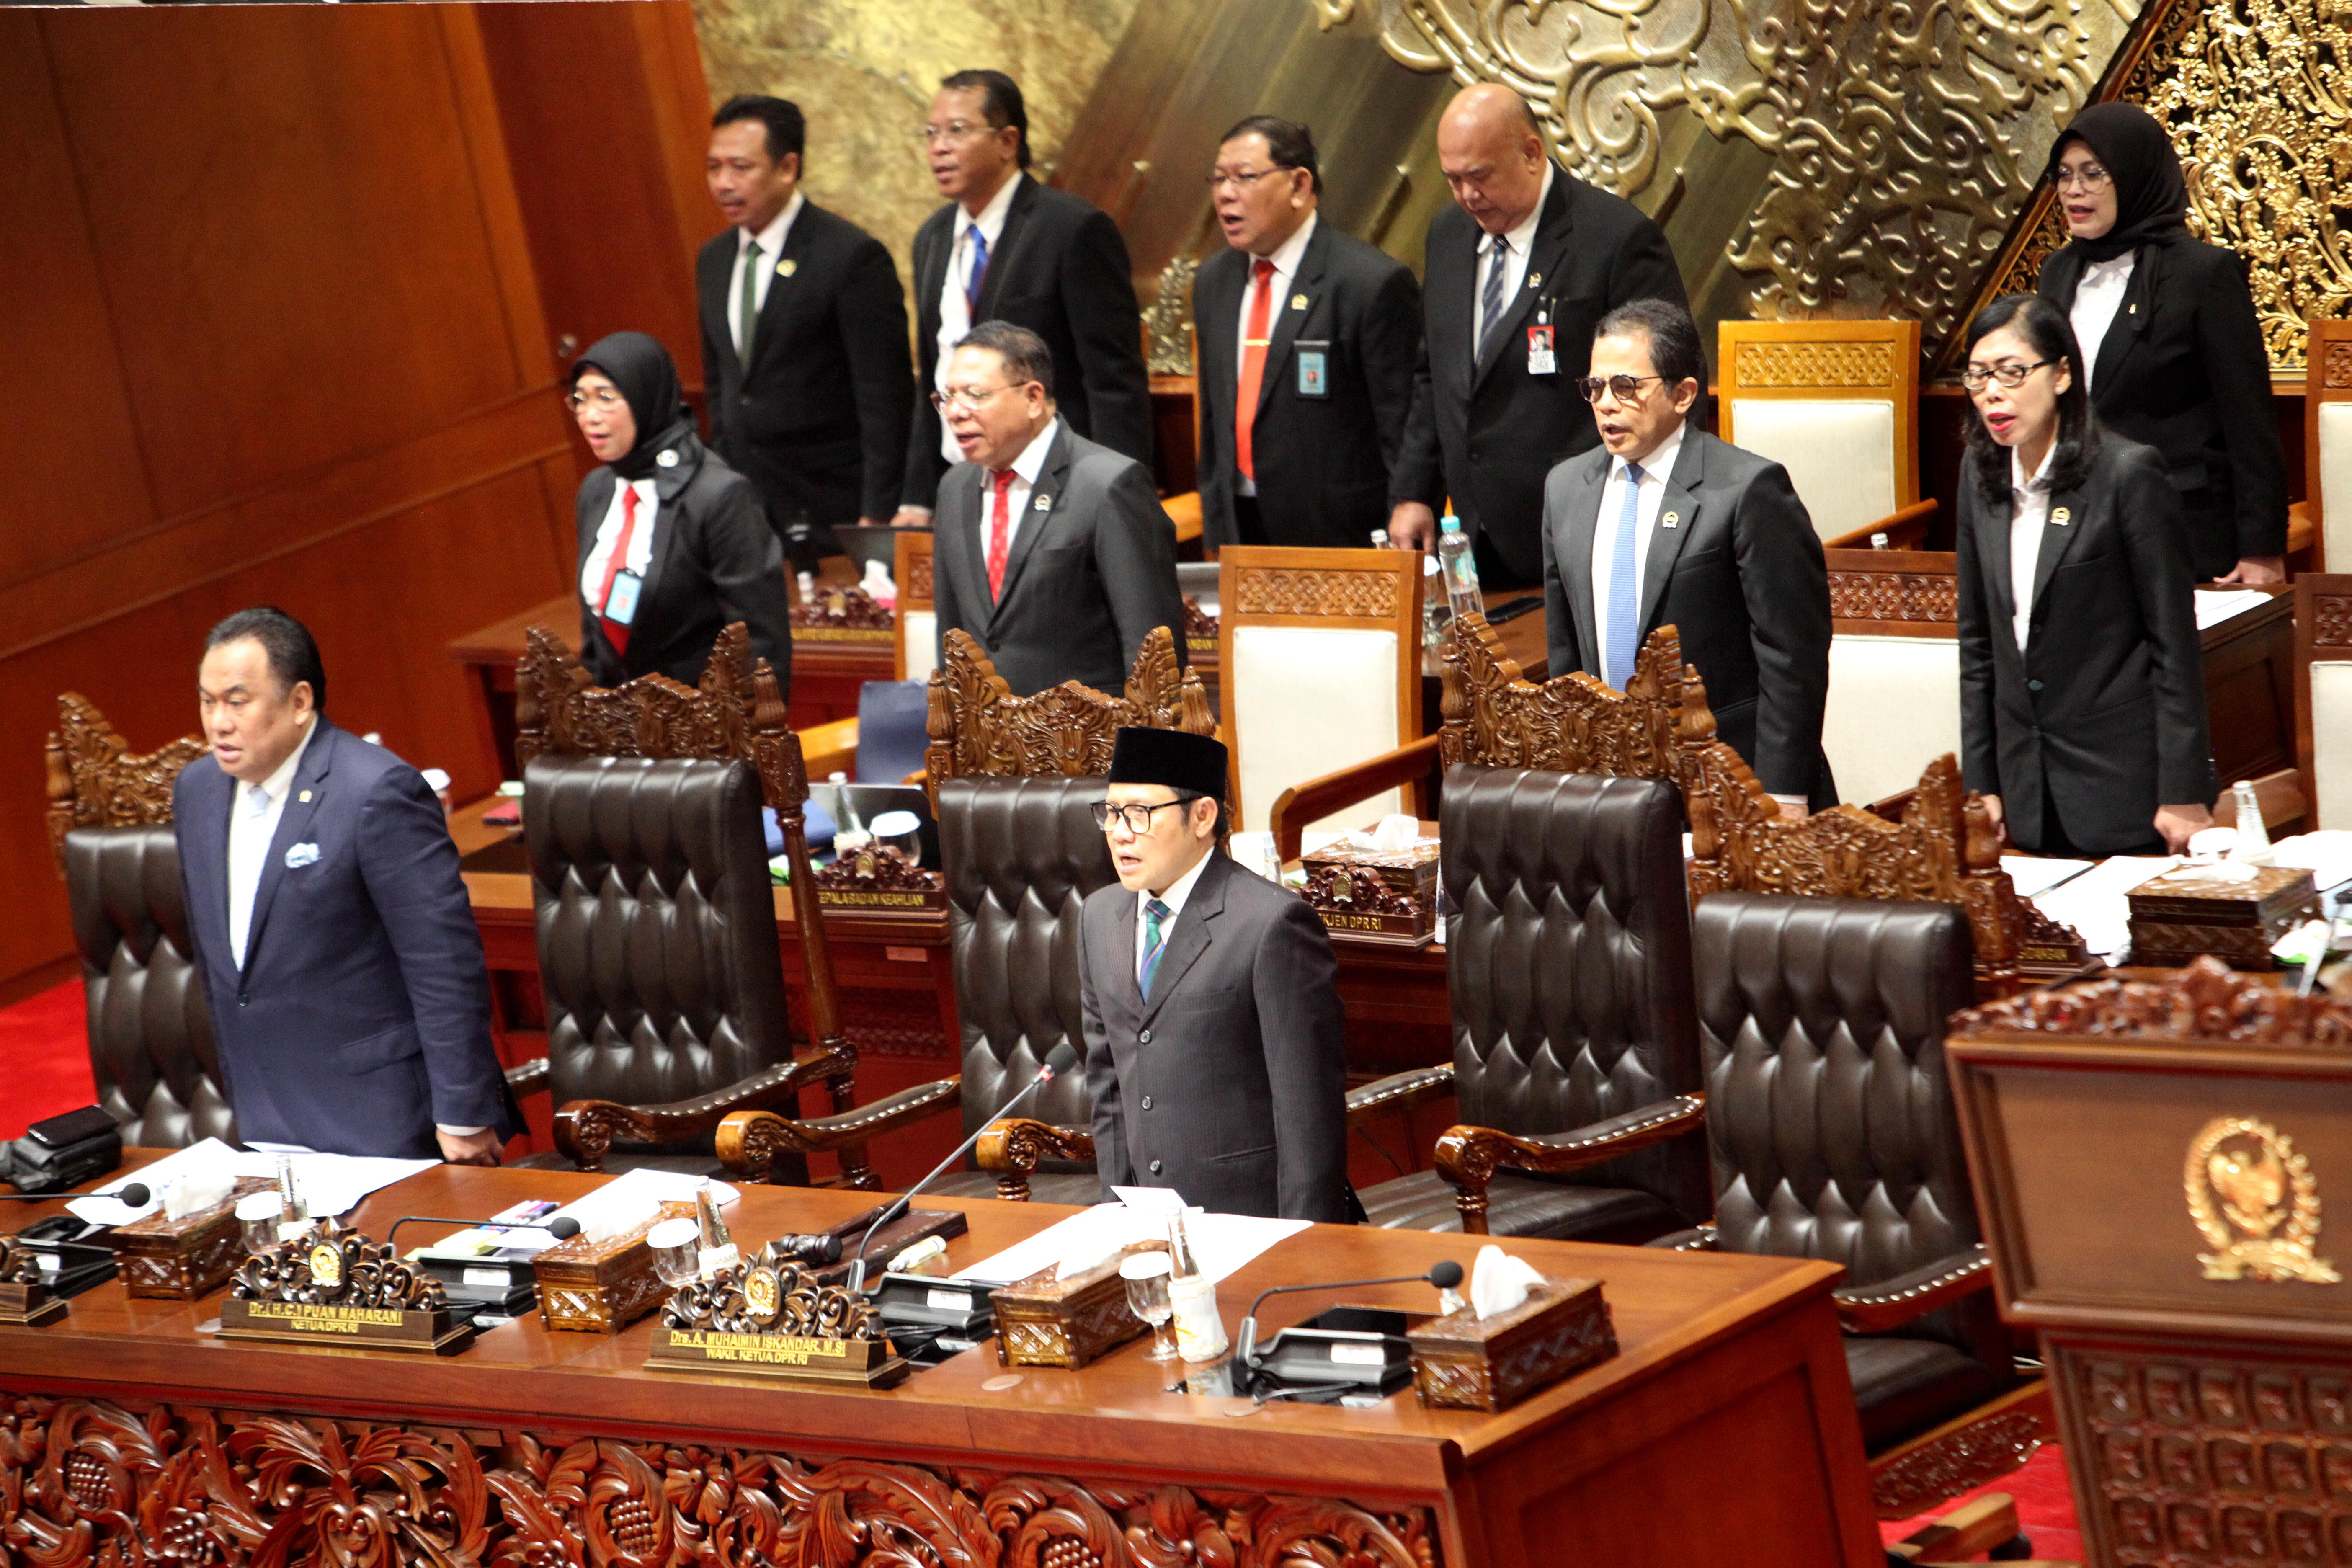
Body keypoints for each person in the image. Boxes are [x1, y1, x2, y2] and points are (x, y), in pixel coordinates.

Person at [172, 609, 515, 1162]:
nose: (219, 722)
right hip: (266, 1120)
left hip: (384, 1123)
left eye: (238, 701)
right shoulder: (198, 792)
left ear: (300, 702)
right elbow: (226, 971)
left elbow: (443, 964)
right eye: (208, 701)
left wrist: (463, 1112)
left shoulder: (375, 791)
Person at [1391, 84, 1687, 589]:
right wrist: (1414, 491)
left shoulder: (1615, 239)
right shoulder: (1448, 235)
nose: (1466, 195)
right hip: (1475, 537)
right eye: (1453, 180)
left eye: (1479, 176)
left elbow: (1665, 386)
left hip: (1584, 536)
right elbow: (1433, 374)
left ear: (1531, 153)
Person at [1542, 300, 1833, 812]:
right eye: (1595, 387)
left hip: (1730, 781)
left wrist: (1783, 793)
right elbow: (1566, 655)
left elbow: (1793, 659)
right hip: (1614, 789)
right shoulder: (1565, 488)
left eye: (1627, 387)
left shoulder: (1748, 490)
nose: (1606, 404)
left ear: (1683, 394)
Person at [1954, 294, 2215, 855]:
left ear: (2063, 374)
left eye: (2012, 372)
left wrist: (2185, 792)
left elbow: (2174, 645)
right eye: (1978, 377)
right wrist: (1982, 785)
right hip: (2026, 792)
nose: (1992, 392)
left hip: (2124, 787)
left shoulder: (2126, 474)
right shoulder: (1979, 475)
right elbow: (1978, 645)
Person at [1081, 727, 1349, 1222]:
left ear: (1202, 816)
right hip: (1148, 1224)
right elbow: (1108, 1085)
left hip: (1250, 1216)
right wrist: (1116, 1218)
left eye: (1139, 814)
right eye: (1111, 813)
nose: (1120, 832)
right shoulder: (1099, 917)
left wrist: (1306, 1242)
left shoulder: (1272, 924)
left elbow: (1307, 1111)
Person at [2036, 103, 2287, 585]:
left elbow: (2249, 422)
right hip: (2081, 525)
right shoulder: (2059, 271)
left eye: (2093, 174)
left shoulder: (2203, 274)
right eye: (2064, 175)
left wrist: (2263, 548)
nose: (2074, 190)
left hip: (2184, 528)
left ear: (2134, 174)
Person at [892, 70, 1151, 526]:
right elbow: (932, 374)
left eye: (958, 131)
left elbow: (1114, 381)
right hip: (965, 484)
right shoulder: (931, 238)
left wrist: (1117, 496)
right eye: (932, 133)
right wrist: (917, 498)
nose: (939, 147)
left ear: (1008, 141)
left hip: (1058, 486)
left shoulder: (1071, 229)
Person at [696, 95, 913, 562]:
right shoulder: (713, 260)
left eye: (740, 167)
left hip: (837, 507)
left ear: (788, 167)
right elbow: (723, 385)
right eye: (714, 168)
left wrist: (876, 516)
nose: (723, 184)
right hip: (751, 513)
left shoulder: (850, 256)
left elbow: (885, 401)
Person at [1193, 115, 1421, 550]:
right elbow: (1214, 417)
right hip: (1242, 531)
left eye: (1244, 178)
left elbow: (1403, 428)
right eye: (1219, 179)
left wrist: (1407, 510)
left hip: (1340, 534)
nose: (1225, 194)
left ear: (1299, 186)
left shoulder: (1368, 283)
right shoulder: (1213, 282)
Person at [929, 321, 1185, 696]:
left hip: (1089, 742)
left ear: (1033, 398)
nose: (955, 412)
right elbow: (950, 639)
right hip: (989, 746)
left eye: (975, 394)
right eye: (948, 397)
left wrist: (1141, 751)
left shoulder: (1109, 485)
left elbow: (1153, 653)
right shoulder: (955, 489)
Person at [568, 332, 796, 693]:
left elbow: (760, 642)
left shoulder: (719, 495)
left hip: (706, 724)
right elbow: (595, 635)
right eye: (580, 399)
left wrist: (751, 734)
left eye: (606, 398)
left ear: (647, 398)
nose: (589, 416)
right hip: (621, 726)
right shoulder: (596, 491)